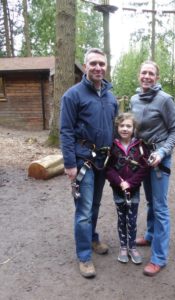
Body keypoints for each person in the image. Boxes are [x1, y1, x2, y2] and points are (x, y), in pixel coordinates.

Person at [60, 48, 118, 278]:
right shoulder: (72, 95)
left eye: (101, 64)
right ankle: (84, 256)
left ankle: (92, 239)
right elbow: (65, 131)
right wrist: (69, 163)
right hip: (83, 160)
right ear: (85, 67)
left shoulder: (111, 97)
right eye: (93, 63)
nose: (98, 68)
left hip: (103, 160)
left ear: (106, 67)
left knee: (94, 206)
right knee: (83, 211)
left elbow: (114, 128)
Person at [130, 60, 175, 276]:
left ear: (157, 77)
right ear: (139, 75)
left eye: (151, 73)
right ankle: (150, 235)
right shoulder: (134, 99)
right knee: (150, 201)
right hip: (143, 158)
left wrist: (162, 152)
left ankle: (159, 257)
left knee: (160, 207)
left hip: (160, 159)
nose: (147, 77)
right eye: (144, 73)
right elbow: (133, 129)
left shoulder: (164, 100)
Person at [106, 112, 149, 265]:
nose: (125, 129)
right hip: (118, 190)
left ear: (134, 128)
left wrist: (130, 183)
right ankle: (123, 247)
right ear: (117, 127)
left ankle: (132, 247)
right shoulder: (111, 146)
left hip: (134, 190)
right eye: (122, 125)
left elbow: (144, 168)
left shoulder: (140, 146)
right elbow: (108, 168)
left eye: (128, 126)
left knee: (132, 219)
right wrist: (119, 182)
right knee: (121, 218)